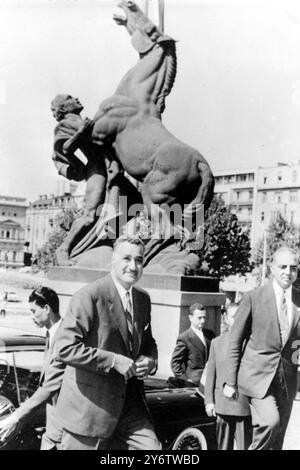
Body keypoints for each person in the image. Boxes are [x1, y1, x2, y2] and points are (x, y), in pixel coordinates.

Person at [53, 235, 160, 450]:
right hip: (90, 411)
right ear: (113, 260)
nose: (133, 266)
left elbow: (148, 343)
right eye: (126, 259)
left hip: (130, 409)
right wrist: (112, 361)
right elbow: (64, 348)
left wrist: (150, 360)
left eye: (139, 260)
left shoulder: (143, 299)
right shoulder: (89, 296)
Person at [224, 246, 300, 450]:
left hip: (287, 381)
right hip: (257, 378)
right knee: (270, 422)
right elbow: (235, 341)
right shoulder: (253, 298)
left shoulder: (298, 300)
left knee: (279, 438)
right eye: (282, 266)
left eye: (293, 267)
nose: (288, 272)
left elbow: (295, 342)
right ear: (271, 268)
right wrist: (230, 381)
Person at [0, 287, 65, 450]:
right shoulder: (51, 334)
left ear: (47, 309)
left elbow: (50, 386)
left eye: (33, 311)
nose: (31, 316)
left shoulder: (65, 337)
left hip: (61, 419)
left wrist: (16, 417)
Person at [205, 303, 252, 450]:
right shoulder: (216, 343)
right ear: (226, 319)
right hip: (223, 405)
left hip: (244, 406)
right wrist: (209, 401)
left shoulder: (252, 344)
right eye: (233, 317)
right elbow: (211, 373)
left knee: (245, 446)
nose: (237, 321)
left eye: (240, 317)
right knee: (223, 447)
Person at [170, 303, 215, 385]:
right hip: (194, 383)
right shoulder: (184, 337)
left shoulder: (210, 334)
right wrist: (186, 380)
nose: (203, 321)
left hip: (210, 380)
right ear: (190, 317)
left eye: (204, 317)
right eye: (199, 318)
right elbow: (175, 364)